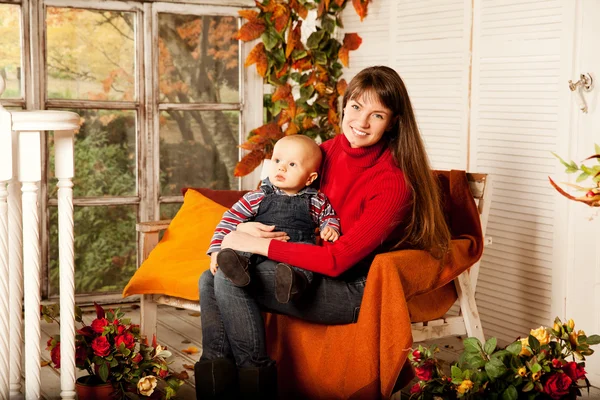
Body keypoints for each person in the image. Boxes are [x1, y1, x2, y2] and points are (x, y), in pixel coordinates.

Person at [194, 65, 451, 400]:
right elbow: (271, 196)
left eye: (377, 115)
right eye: (356, 108)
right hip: (302, 269)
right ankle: (219, 387)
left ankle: (252, 383)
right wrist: (244, 228)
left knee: (225, 277)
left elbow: (337, 261)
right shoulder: (324, 152)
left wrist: (252, 246)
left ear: (393, 122)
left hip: (351, 288)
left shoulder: (393, 182)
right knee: (208, 278)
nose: (360, 123)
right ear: (344, 107)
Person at [208, 135, 341, 304]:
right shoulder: (258, 196)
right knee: (242, 247)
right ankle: (238, 268)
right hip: (257, 251)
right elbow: (230, 219)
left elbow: (329, 216)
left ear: (310, 178)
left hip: (294, 251)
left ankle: (293, 282)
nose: (281, 168)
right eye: (277, 160)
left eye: (292, 164)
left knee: (306, 260)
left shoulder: (316, 200)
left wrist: (330, 227)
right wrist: (216, 250)